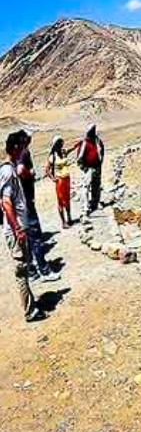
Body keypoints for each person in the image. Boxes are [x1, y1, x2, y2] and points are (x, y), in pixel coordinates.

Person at [1, 131, 43, 322]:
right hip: (15, 229)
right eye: (23, 146)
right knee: (21, 271)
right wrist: (17, 228)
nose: (24, 150)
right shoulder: (8, 171)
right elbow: (6, 202)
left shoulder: (10, 168)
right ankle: (30, 311)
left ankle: (31, 303)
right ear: (16, 148)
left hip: (18, 227)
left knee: (24, 269)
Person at [15, 130, 56, 282]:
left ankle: (31, 271)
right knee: (35, 235)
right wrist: (30, 174)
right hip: (27, 200)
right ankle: (44, 270)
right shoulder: (24, 153)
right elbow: (20, 171)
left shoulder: (14, 153)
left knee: (26, 238)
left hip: (20, 201)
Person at [72, 124, 104, 215]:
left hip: (97, 167)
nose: (93, 132)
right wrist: (84, 168)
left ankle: (95, 203)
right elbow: (79, 157)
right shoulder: (85, 143)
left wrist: (101, 161)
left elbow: (101, 150)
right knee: (86, 187)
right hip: (89, 168)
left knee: (96, 186)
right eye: (92, 130)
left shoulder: (97, 141)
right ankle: (85, 207)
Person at [46, 136, 73, 229]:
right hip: (60, 180)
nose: (60, 145)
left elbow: (72, 148)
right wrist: (53, 178)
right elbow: (47, 170)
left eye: (61, 143)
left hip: (67, 179)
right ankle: (63, 221)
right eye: (59, 143)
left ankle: (69, 217)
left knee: (68, 199)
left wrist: (80, 143)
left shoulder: (63, 152)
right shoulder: (52, 156)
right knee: (61, 201)